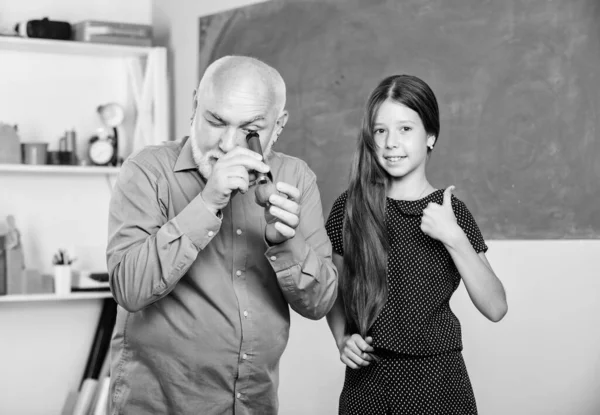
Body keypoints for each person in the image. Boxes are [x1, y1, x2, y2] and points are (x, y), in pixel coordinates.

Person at [106, 55, 338, 414]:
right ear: (195, 106)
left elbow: (320, 302)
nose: (228, 144)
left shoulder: (296, 177)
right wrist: (208, 201)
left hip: (253, 402)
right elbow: (129, 289)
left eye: (250, 129)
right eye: (215, 121)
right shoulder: (147, 171)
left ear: (278, 126)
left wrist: (285, 243)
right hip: (160, 404)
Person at [325, 74, 508, 414]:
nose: (391, 142)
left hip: (439, 384)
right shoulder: (349, 208)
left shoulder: (450, 212)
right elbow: (334, 289)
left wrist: (453, 237)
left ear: (431, 136)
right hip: (367, 384)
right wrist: (342, 338)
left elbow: (496, 307)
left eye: (406, 129)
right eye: (381, 130)